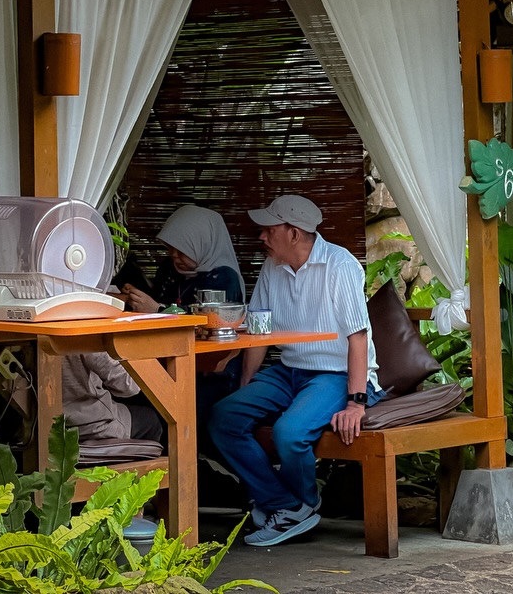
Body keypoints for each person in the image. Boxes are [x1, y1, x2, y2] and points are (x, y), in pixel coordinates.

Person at [208, 194, 381, 547]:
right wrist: (246, 386)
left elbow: (358, 338)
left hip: (335, 373)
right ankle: (284, 504)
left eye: (269, 230)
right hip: (289, 371)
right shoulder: (273, 267)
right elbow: (259, 331)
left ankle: (301, 505)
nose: (262, 237)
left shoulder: (340, 265)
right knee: (222, 418)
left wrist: (356, 403)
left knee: (290, 432)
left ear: (294, 233)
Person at [123, 204, 244, 312]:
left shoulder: (224, 278)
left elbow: (209, 319)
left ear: (203, 246)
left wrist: (158, 310)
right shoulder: (168, 269)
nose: (174, 255)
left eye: (182, 249)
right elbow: (156, 300)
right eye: (170, 247)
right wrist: (136, 298)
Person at [62, 352, 165, 444]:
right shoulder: (82, 335)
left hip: (53, 423)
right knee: (152, 420)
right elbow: (128, 385)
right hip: (86, 425)